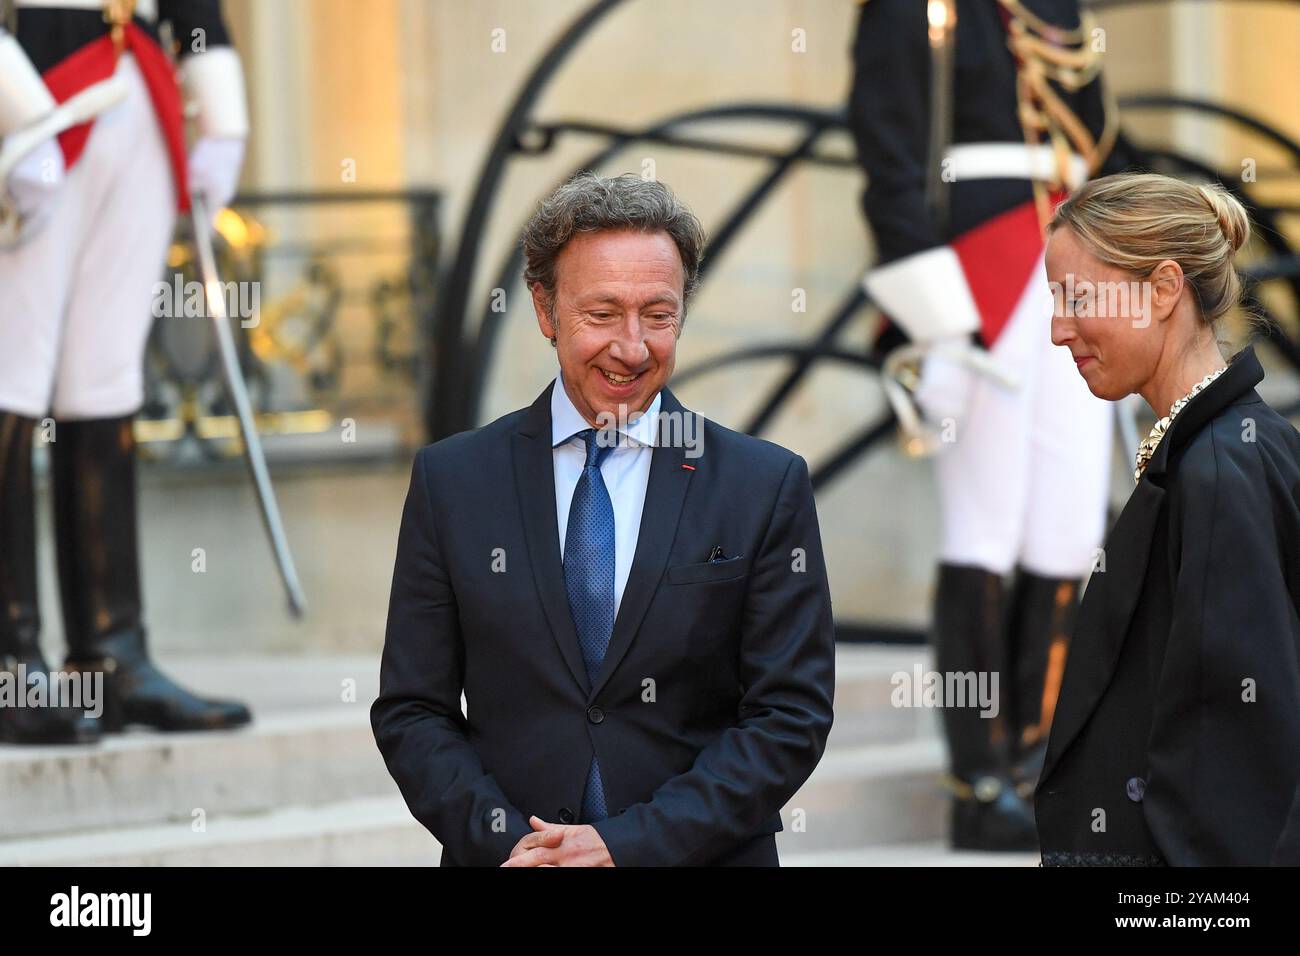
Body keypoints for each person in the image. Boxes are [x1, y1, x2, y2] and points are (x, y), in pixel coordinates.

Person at [371, 172, 836, 867]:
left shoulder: (763, 485)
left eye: (658, 314)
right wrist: (514, 848)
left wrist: (626, 845)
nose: (632, 347)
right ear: (545, 309)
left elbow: (790, 716)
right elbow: (413, 710)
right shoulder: (453, 481)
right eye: (602, 314)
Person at [847, 0, 1131, 849]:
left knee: (1068, 529)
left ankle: (1038, 764)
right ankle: (976, 781)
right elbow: (888, 154)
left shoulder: (1058, 13)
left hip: (1075, 264)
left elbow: (1104, 146)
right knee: (984, 526)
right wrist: (935, 312)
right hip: (981, 276)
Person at [0, 0, 250, 744]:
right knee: (10, 375)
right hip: (35, 86)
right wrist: (14, 114)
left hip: (138, 91)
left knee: (102, 379)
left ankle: (112, 659)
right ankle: (12, 663)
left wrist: (224, 118)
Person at [1036, 171, 1300, 866]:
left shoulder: (1217, 469)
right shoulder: (1224, 448)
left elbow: (1235, 759)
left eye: (1077, 297)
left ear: (1161, 289)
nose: (1059, 330)